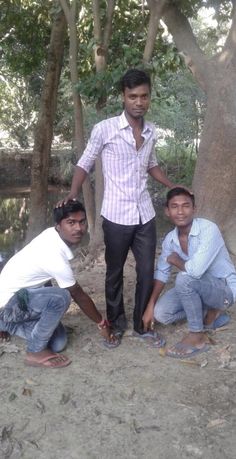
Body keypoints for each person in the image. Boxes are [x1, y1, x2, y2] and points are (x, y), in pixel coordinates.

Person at [58, 68, 176, 347]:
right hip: (116, 215)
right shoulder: (105, 129)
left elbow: (151, 164)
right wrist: (73, 193)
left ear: (149, 97)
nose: (139, 102)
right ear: (123, 97)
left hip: (144, 214)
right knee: (114, 273)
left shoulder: (151, 131)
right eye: (132, 96)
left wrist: (172, 186)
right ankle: (116, 324)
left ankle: (142, 325)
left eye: (144, 96)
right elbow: (84, 162)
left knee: (147, 271)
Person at [0, 200, 116, 368]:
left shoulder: (51, 234)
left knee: (58, 342)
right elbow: (78, 295)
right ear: (59, 225)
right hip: (9, 304)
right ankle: (34, 352)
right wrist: (101, 323)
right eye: (71, 222)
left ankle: (4, 324)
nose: (78, 228)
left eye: (82, 222)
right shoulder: (54, 254)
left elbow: (43, 277)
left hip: (18, 300)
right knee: (61, 297)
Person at [142, 187, 236, 358]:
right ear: (167, 211)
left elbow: (195, 270)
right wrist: (150, 305)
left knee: (184, 279)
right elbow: (162, 273)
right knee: (161, 313)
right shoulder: (170, 239)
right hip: (196, 287)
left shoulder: (208, 229)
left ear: (194, 209)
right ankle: (210, 314)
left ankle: (197, 335)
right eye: (174, 206)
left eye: (186, 206)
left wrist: (176, 260)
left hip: (223, 290)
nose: (180, 211)